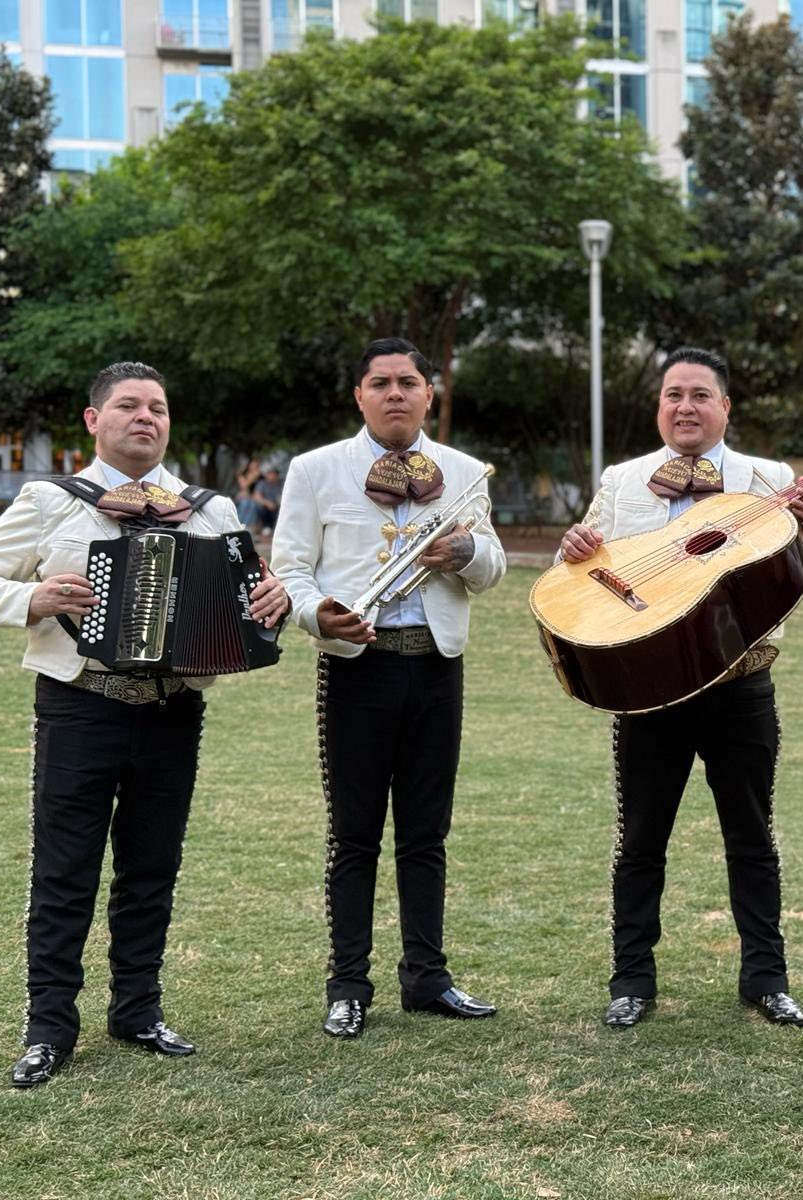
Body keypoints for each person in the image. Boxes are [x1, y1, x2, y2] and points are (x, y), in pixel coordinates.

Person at [0, 361, 290, 1088]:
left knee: (152, 868)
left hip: (174, 707)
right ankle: (49, 1028)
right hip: (80, 701)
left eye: (157, 407)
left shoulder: (208, 510)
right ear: (94, 421)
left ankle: (138, 1011)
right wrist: (34, 598)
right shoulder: (51, 499)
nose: (145, 417)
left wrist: (271, 603)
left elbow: (253, 603)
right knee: (65, 871)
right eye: (127, 406)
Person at [558, 346, 803, 1030]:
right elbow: (592, 567)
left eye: (700, 395)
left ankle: (766, 979)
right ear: (660, 406)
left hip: (743, 685)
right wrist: (576, 553)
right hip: (649, 688)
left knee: (751, 835)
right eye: (673, 395)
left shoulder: (767, 477)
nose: (685, 407)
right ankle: (631, 980)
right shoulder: (622, 481)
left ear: (725, 407)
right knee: (641, 837)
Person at [271, 337, 507, 1040]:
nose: (396, 393)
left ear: (429, 394)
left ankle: (427, 979)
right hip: (356, 667)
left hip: (436, 664)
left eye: (409, 382)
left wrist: (463, 551)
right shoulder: (315, 471)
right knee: (354, 835)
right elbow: (289, 572)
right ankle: (348, 985)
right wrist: (319, 615)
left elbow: (491, 565)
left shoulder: (464, 471)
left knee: (426, 833)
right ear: (360, 395)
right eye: (381, 382)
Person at [253, 464, 283, 533]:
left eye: (273, 474)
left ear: (277, 475)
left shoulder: (281, 483)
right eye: (270, 474)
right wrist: (267, 503)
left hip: (278, 505)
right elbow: (257, 496)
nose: (271, 476)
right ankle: (266, 527)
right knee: (259, 507)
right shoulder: (262, 483)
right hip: (266, 506)